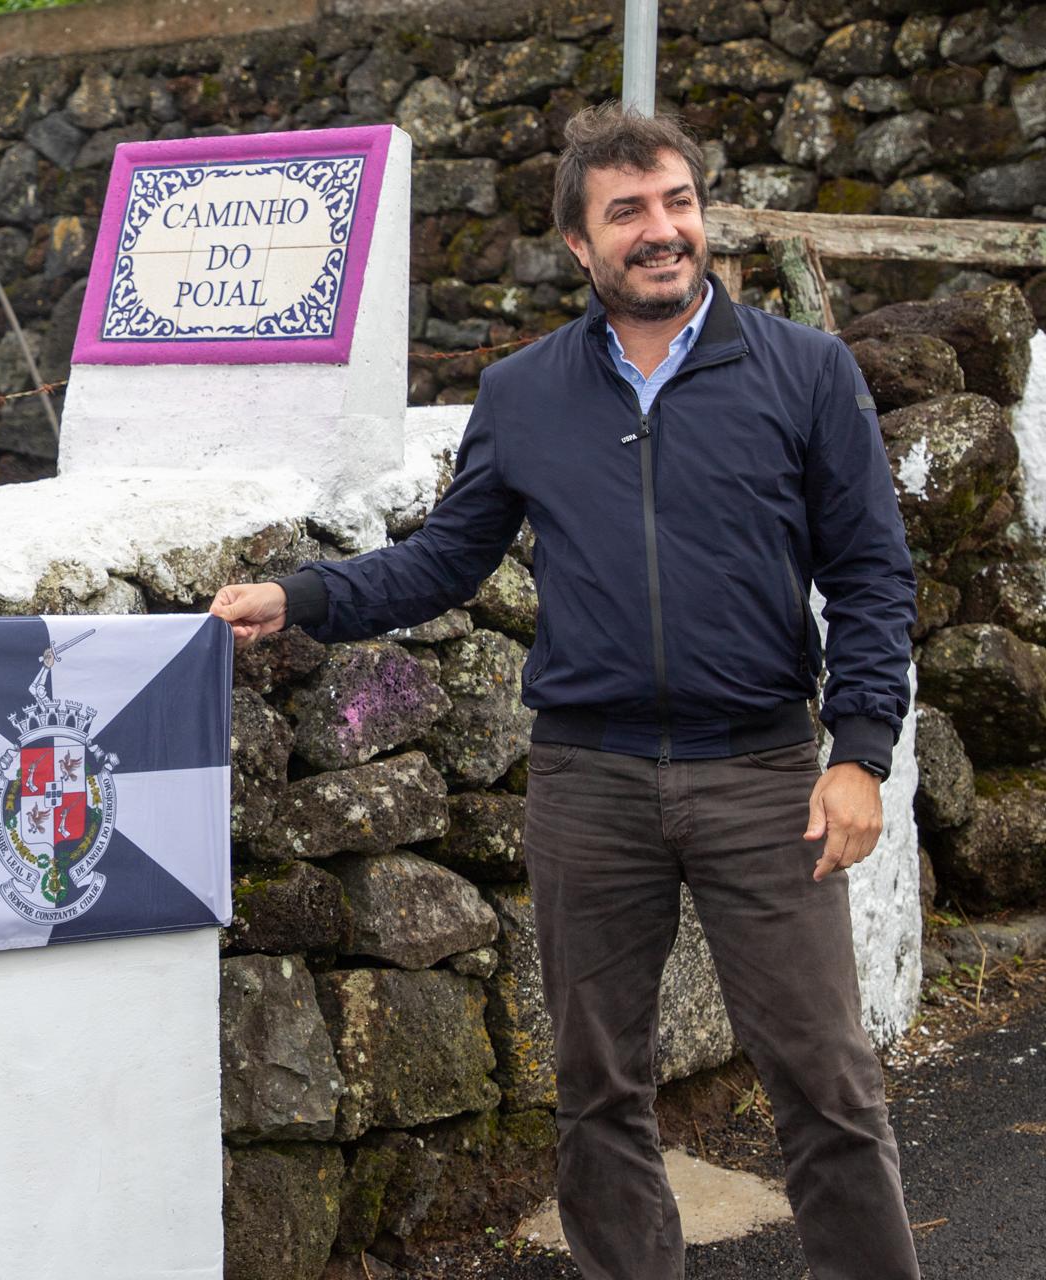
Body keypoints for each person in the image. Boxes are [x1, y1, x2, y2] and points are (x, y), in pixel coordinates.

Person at [212, 103, 921, 1280]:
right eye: (628, 211)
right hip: (588, 780)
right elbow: (445, 557)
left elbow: (870, 574)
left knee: (825, 1078)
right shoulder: (525, 390)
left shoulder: (806, 371)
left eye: (678, 202)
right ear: (579, 246)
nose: (663, 230)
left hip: (760, 773)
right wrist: (302, 596)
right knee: (598, 1085)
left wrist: (858, 752)